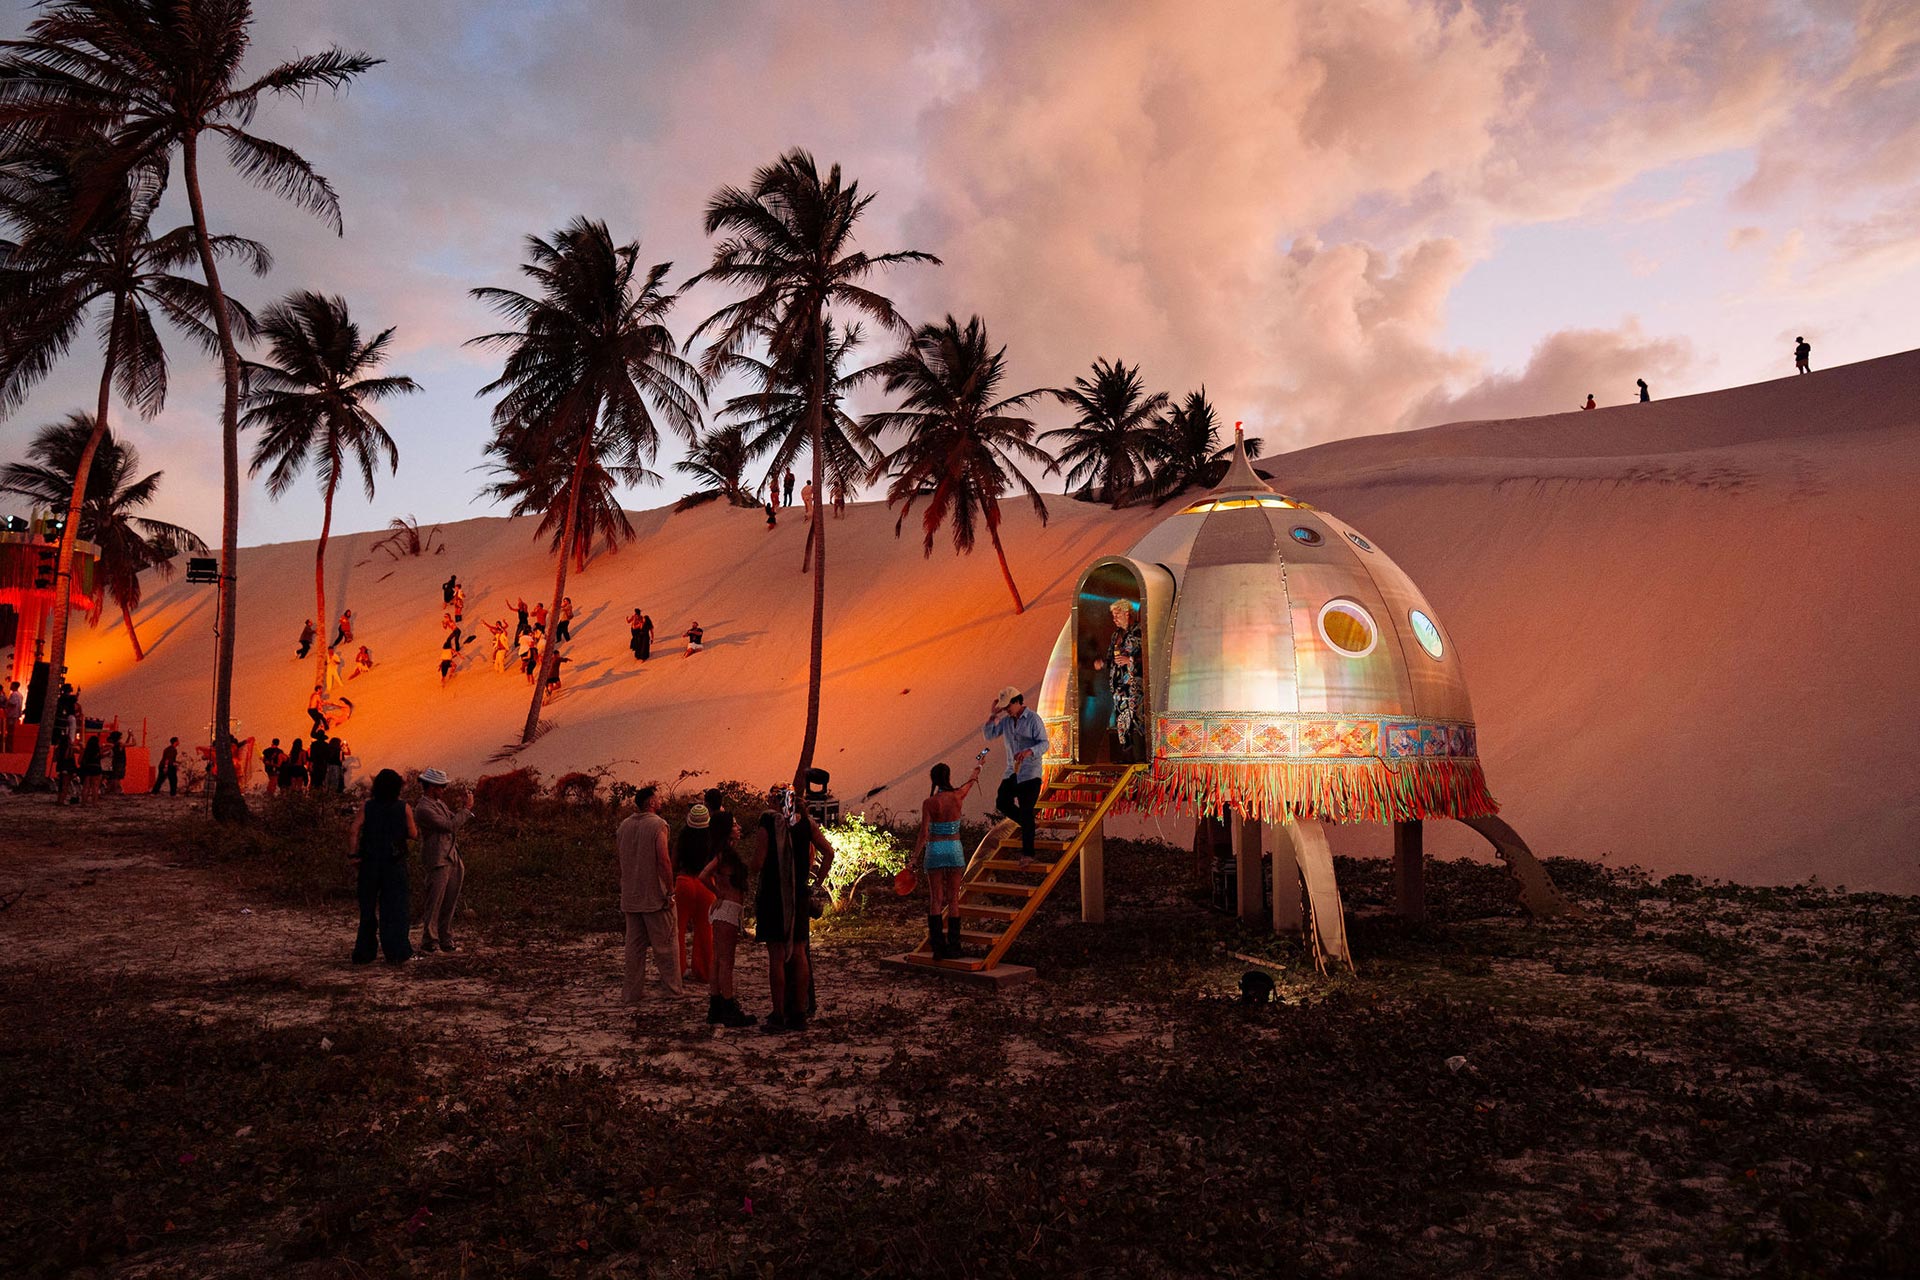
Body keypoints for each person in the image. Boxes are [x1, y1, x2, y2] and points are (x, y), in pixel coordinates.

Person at [754, 782, 835, 1033]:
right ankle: (799, 1013)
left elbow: (758, 861)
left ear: (776, 802)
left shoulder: (768, 822)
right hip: (799, 894)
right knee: (799, 952)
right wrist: (817, 882)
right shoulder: (806, 823)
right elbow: (829, 853)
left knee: (776, 956)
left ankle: (778, 1014)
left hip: (773, 894)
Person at [616, 785, 683, 1006]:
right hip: (655, 897)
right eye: (658, 798)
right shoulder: (658, 825)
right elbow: (663, 859)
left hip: (631, 896)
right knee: (666, 946)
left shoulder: (624, 826)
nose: (661, 801)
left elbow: (621, 859)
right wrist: (670, 890)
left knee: (634, 949)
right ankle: (673, 990)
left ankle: (631, 993)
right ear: (651, 802)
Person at [916, 757, 984, 960]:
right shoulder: (958, 796)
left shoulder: (930, 802)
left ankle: (938, 948)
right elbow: (971, 781)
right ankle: (955, 947)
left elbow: (924, 833)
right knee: (953, 899)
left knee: (936, 899)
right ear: (948, 777)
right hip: (954, 848)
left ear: (934, 779)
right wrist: (978, 766)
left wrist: (914, 858)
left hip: (935, 848)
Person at [349, 768, 417, 965]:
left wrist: (353, 855)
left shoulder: (367, 806)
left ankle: (364, 953)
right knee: (395, 908)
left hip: (370, 863)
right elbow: (413, 834)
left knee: (368, 909)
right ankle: (397, 952)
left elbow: (354, 830)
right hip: (394, 864)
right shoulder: (404, 807)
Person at [698, 812, 755, 1026]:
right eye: (734, 824)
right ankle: (728, 1006)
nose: (738, 827)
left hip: (726, 911)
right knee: (726, 961)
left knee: (718, 959)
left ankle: (716, 1006)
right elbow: (703, 875)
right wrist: (719, 893)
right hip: (727, 911)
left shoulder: (724, 853)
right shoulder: (724, 855)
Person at [984, 686, 1049, 866]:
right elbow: (989, 734)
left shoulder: (1033, 719)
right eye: (1004, 707)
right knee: (1002, 802)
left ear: (1017, 701)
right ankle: (1028, 823)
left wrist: (1029, 751)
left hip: (1030, 773)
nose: (1006, 710)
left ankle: (1028, 854)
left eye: (1008, 706)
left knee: (1026, 810)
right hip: (1012, 772)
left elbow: (1044, 743)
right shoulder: (1006, 722)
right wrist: (992, 715)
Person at [414, 767, 473, 954]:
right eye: (441, 786)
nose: (444, 790)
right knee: (435, 901)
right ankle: (430, 941)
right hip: (438, 858)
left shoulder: (438, 803)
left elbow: (452, 820)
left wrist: (463, 808)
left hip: (451, 856)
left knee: (450, 900)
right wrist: (467, 809)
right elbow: (449, 825)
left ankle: (445, 939)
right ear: (432, 786)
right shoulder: (424, 808)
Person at [1093, 598, 1143, 759]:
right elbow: (1112, 658)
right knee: (1121, 722)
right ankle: (1126, 756)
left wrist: (1130, 661)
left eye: (1117, 615)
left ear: (1127, 613)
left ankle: (1139, 756)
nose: (1114, 619)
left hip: (1134, 686)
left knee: (1135, 719)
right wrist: (1103, 663)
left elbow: (1148, 656)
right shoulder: (1116, 635)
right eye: (1113, 616)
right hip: (1119, 687)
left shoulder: (1139, 631)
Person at [674, 803, 716, 987]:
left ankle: (677, 970)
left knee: (678, 930)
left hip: (684, 882)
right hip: (706, 885)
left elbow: (674, 863)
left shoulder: (682, 838)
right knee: (705, 929)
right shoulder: (712, 840)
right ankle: (704, 971)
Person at [78, 733, 103, 806]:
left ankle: (83, 802)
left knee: (86, 786)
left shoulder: (85, 750)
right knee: (95, 787)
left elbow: (79, 761)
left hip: (88, 768)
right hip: (96, 767)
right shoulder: (98, 751)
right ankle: (94, 803)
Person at [2, 680, 23, 751]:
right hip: (16, 715)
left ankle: (9, 747)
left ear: (14, 686)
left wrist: (6, 704)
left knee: (10, 731)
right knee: (13, 731)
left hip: (12, 715)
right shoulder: (20, 695)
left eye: (11, 685)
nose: (10, 686)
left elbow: (13, 703)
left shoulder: (14, 694)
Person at [106, 730, 127, 795]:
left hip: (115, 762)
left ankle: (113, 790)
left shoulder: (114, 745)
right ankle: (117, 790)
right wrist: (132, 736)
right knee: (117, 778)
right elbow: (132, 744)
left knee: (115, 777)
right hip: (120, 763)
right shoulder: (119, 744)